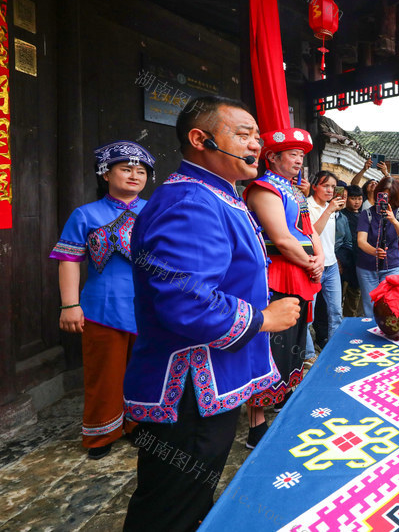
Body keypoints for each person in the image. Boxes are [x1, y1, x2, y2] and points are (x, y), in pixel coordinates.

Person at [122, 97, 300, 531]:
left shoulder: (217, 195)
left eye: (257, 135)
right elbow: (188, 302)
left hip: (210, 383)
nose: (256, 144)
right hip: (189, 390)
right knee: (170, 508)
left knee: (189, 497)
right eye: (243, 134)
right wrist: (263, 319)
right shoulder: (192, 201)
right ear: (200, 139)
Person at [51, 140, 155, 459]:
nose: (134, 175)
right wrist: (70, 305)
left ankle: (140, 426)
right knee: (104, 375)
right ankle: (101, 434)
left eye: (141, 171)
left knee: (146, 372)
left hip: (150, 308)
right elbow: (69, 260)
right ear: (105, 174)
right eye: (125, 169)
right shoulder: (85, 214)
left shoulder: (154, 211)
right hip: (102, 307)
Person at [244, 127, 323, 446]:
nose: (299, 161)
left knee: (293, 339)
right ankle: (256, 423)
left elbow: (309, 230)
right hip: (274, 275)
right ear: (272, 157)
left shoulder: (297, 192)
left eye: (301, 156)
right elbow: (281, 238)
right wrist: (310, 262)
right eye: (292, 155)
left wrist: (319, 258)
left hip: (300, 274)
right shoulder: (263, 188)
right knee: (270, 345)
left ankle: (280, 395)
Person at [356, 176, 399, 317]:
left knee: (391, 304)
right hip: (367, 267)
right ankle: (371, 334)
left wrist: (393, 219)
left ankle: (388, 334)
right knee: (370, 305)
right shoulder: (366, 214)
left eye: (390, 197)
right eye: (383, 196)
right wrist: (374, 252)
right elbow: (361, 241)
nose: (386, 201)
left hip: (391, 265)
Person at [307, 171, 346, 348]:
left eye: (333, 186)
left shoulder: (332, 208)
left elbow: (331, 239)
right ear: (315, 186)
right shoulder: (306, 206)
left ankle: (334, 347)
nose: (330, 190)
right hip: (312, 266)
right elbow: (311, 234)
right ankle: (307, 354)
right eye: (326, 185)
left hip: (331, 266)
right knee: (309, 314)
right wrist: (329, 210)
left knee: (336, 311)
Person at [337, 184, 364, 318]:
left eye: (359, 198)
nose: (357, 202)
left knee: (354, 297)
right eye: (353, 198)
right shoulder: (340, 215)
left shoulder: (364, 216)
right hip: (342, 261)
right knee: (338, 296)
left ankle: (350, 323)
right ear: (346, 199)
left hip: (357, 262)